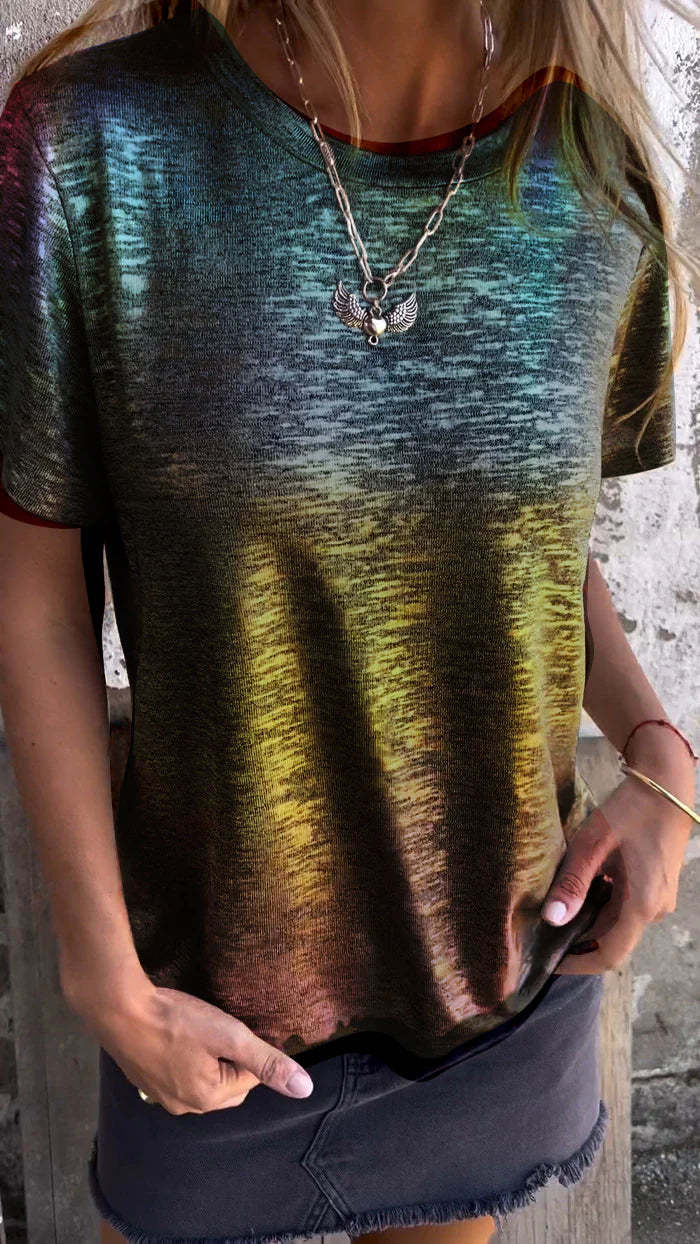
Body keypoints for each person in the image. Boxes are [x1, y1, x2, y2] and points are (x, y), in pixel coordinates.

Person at [0, 1, 697, 1242]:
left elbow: (527, 549)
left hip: (497, 987)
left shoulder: (598, 183)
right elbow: (37, 586)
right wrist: (101, 972)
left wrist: (660, 753)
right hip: (200, 1002)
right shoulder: (94, 147)